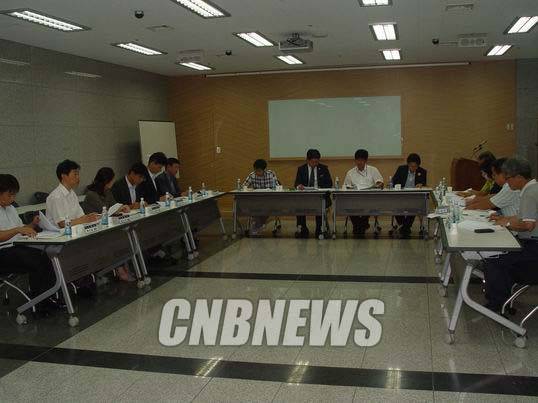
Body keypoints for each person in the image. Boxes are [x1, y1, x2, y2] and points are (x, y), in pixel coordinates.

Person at [483, 158, 538, 312]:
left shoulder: (529, 193)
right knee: (502, 254)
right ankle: (504, 300)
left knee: (494, 260)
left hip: (534, 249)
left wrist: (506, 223)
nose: (507, 182)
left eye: (508, 178)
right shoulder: (533, 188)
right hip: (532, 244)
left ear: (519, 177)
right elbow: (525, 218)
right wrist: (504, 219)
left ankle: (496, 305)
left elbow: (528, 225)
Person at [0, 174, 56, 313]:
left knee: (48, 254)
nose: (13, 198)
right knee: (36, 259)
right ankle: (40, 302)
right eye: (10, 195)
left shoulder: (11, 208)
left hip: (17, 247)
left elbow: (21, 229)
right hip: (3, 252)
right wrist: (18, 230)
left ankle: (48, 297)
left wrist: (33, 224)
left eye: (14, 195)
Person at [83, 168, 133, 282]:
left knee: (124, 236)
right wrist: (116, 209)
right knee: (115, 240)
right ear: (106, 181)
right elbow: (104, 210)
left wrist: (122, 207)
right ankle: (120, 270)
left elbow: (114, 205)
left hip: (106, 227)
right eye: (111, 181)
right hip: (94, 231)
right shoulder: (91, 194)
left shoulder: (107, 191)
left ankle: (125, 267)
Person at [46, 160, 100, 228]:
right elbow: (62, 224)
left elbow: (80, 216)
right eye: (75, 174)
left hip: (74, 230)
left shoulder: (72, 193)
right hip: (59, 233)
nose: (78, 177)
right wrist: (85, 219)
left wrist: (89, 217)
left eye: (78, 174)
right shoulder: (56, 196)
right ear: (64, 176)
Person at [344, 149, 384, 236]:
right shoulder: (350, 172)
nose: (359, 162)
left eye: (361, 160)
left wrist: (378, 184)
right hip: (354, 200)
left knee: (368, 205)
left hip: (369, 199)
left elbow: (380, 182)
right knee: (349, 206)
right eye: (357, 160)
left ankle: (360, 226)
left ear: (366, 161)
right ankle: (361, 225)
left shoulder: (373, 170)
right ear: (355, 160)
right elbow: (346, 187)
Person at [294, 149, 333, 238]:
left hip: (320, 197)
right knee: (299, 206)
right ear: (307, 160)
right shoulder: (301, 169)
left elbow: (329, 184)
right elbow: (296, 183)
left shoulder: (324, 168)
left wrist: (320, 188)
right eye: (313, 162)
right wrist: (299, 186)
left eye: (317, 162)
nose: (315, 164)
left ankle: (320, 230)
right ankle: (302, 230)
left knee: (320, 205)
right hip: (305, 197)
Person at [391, 153, 427, 237]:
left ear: (418, 165)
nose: (413, 168)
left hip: (414, 197)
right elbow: (394, 181)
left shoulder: (422, 171)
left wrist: (421, 185)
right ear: (408, 164)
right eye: (411, 166)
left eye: (415, 166)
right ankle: (405, 226)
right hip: (401, 195)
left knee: (414, 206)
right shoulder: (401, 169)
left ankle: (404, 227)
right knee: (394, 205)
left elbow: (424, 184)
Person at [243, 159, 279, 236]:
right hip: (256, 201)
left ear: (264, 169)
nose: (257, 172)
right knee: (255, 208)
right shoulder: (252, 175)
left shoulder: (271, 174)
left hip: (269, 200)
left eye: (259, 171)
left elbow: (277, 187)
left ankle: (257, 226)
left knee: (267, 208)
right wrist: (249, 189)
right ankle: (258, 225)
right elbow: (244, 187)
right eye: (255, 170)